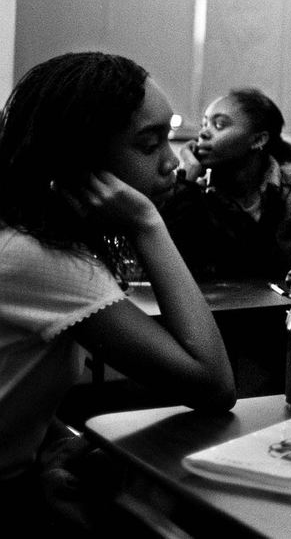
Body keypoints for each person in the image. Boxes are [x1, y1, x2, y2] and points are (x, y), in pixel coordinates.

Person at [0, 52, 236, 528]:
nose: (174, 162)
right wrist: (148, 223)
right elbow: (213, 382)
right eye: (150, 144)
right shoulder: (35, 258)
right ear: (82, 160)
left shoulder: (26, 236)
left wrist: (47, 443)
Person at [161, 87, 291, 281]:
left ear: (258, 139)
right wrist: (186, 180)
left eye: (219, 125)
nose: (203, 133)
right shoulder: (196, 194)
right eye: (204, 124)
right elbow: (168, 266)